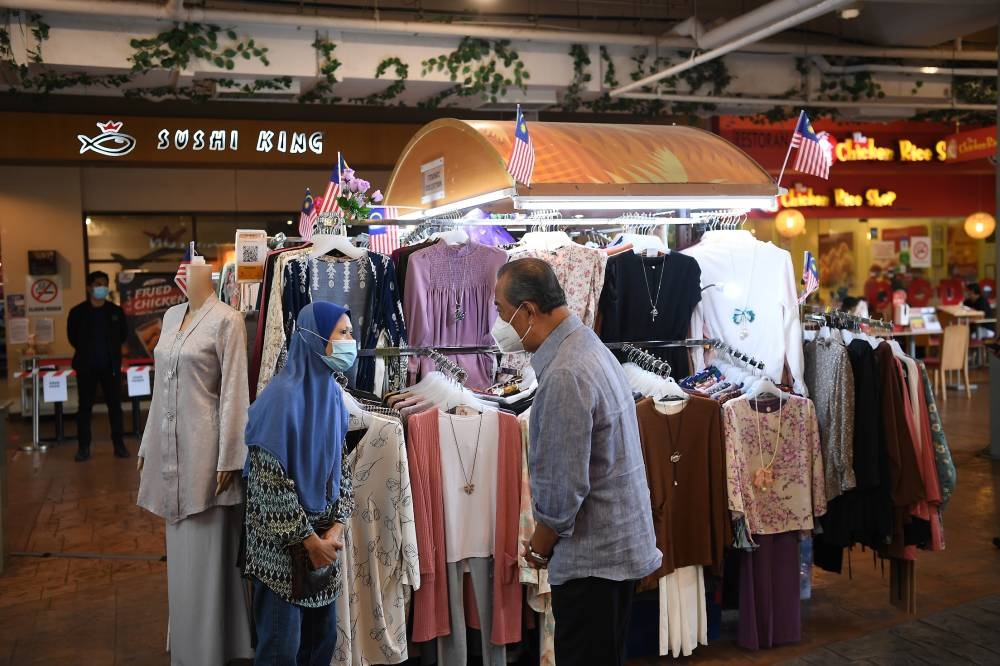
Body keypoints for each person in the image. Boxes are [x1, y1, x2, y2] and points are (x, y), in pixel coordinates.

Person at [492, 258, 661, 666]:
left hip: (593, 562)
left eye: (501, 311)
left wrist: (537, 550)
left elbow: (563, 491)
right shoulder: (587, 345)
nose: (498, 324)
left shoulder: (566, 372)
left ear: (528, 310)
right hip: (613, 550)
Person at [243, 301, 357, 665]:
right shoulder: (280, 399)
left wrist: (336, 528)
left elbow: (342, 468)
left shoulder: (333, 396)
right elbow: (269, 484)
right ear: (315, 338)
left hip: (323, 547)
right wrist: (310, 542)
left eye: (350, 333)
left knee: (319, 645)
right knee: (281, 649)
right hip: (282, 553)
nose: (350, 341)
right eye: (342, 333)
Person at [67, 270, 128, 461]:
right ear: (89, 287)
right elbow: (72, 337)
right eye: (98, 284)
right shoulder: (77, 312)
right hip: (86, 367)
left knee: (115, 407)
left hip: (110, 367)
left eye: (105, 284)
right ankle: (83, 447)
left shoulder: (116, 312)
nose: (102, 287)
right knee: (84, 408)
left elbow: (123, 335)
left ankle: (119, 445)